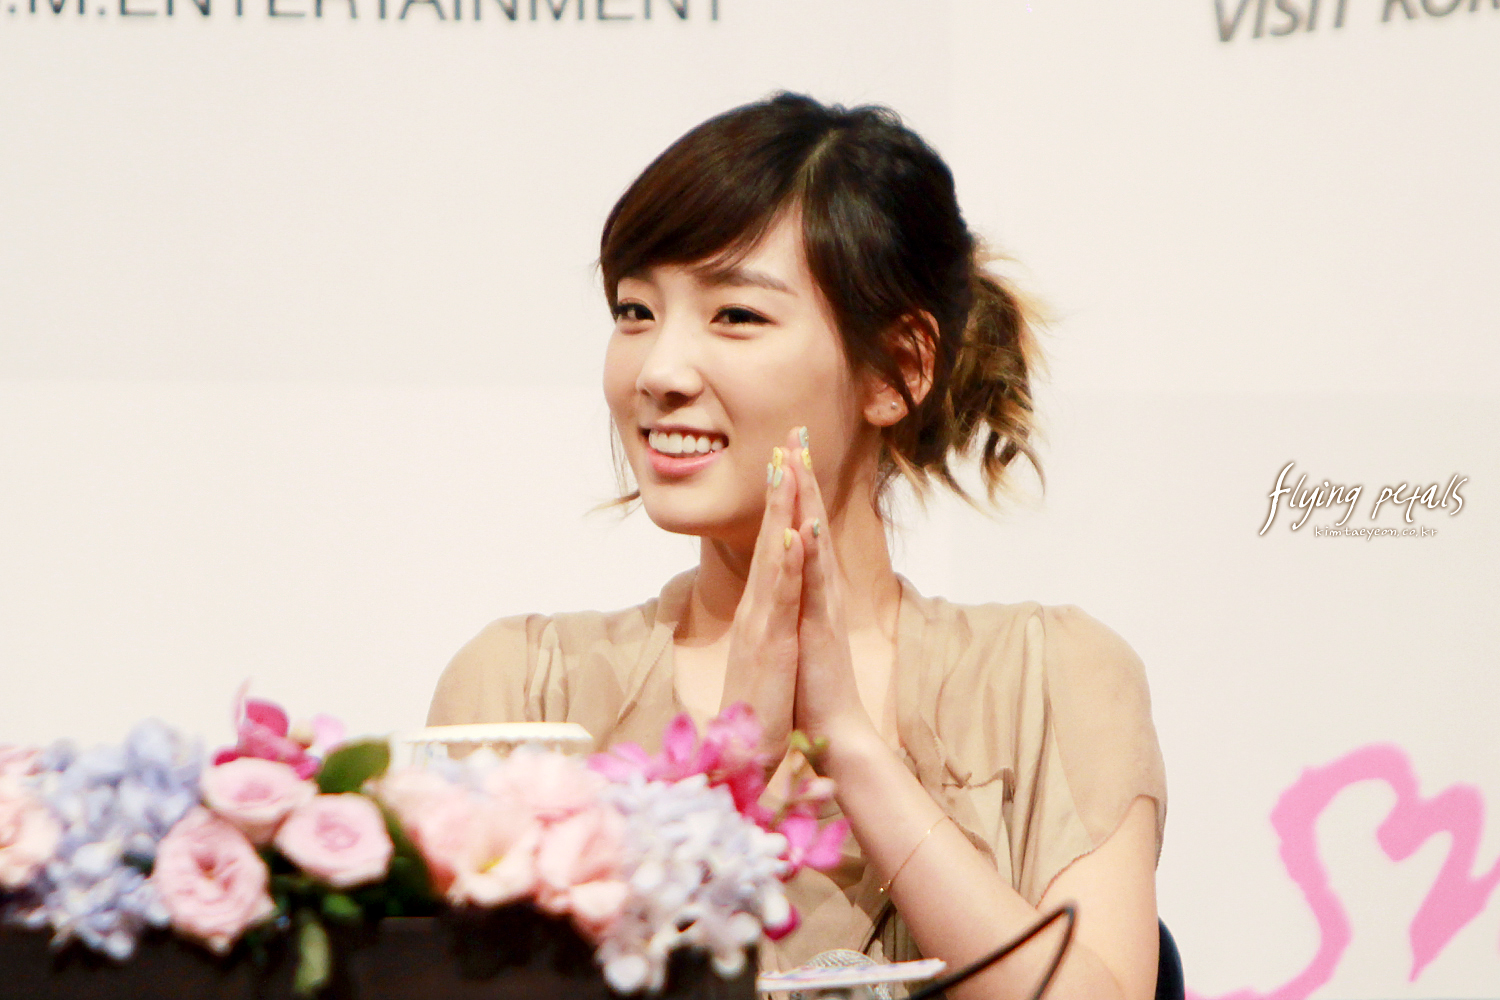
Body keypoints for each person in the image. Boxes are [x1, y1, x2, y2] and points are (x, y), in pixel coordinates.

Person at [428, 93, 1166, 1000]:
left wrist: (851, 746)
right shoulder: (525, 695)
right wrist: (723, 787)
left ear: (898, 368)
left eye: (736, 315)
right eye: (635, 311)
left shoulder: (1048, 677)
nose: (658, 372)